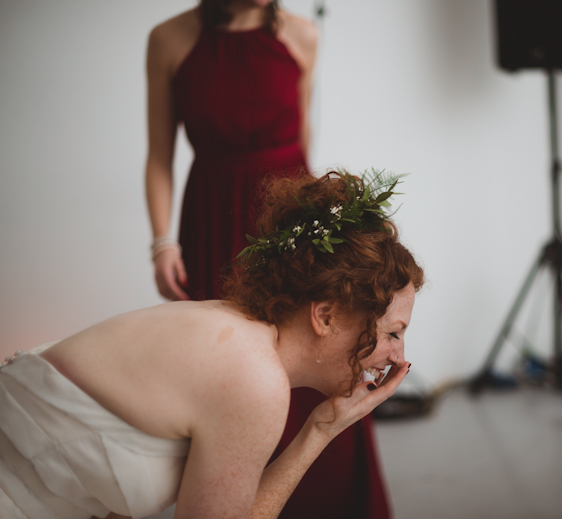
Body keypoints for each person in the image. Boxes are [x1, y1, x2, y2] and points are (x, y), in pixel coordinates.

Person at [0, 171, 424, 519]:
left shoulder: (232, 325)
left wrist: (321, 427)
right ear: (326, 316)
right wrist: (318, 433)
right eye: (392, 332)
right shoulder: (252, 378)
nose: (398, 358)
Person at [143, 2, 394, 517]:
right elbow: (158, 156)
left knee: (319, 353)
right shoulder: (169, 39)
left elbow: (302, 144)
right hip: (213, 216)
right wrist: (162, 242)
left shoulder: (301, 36)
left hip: (289, 220)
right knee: (229, 369)